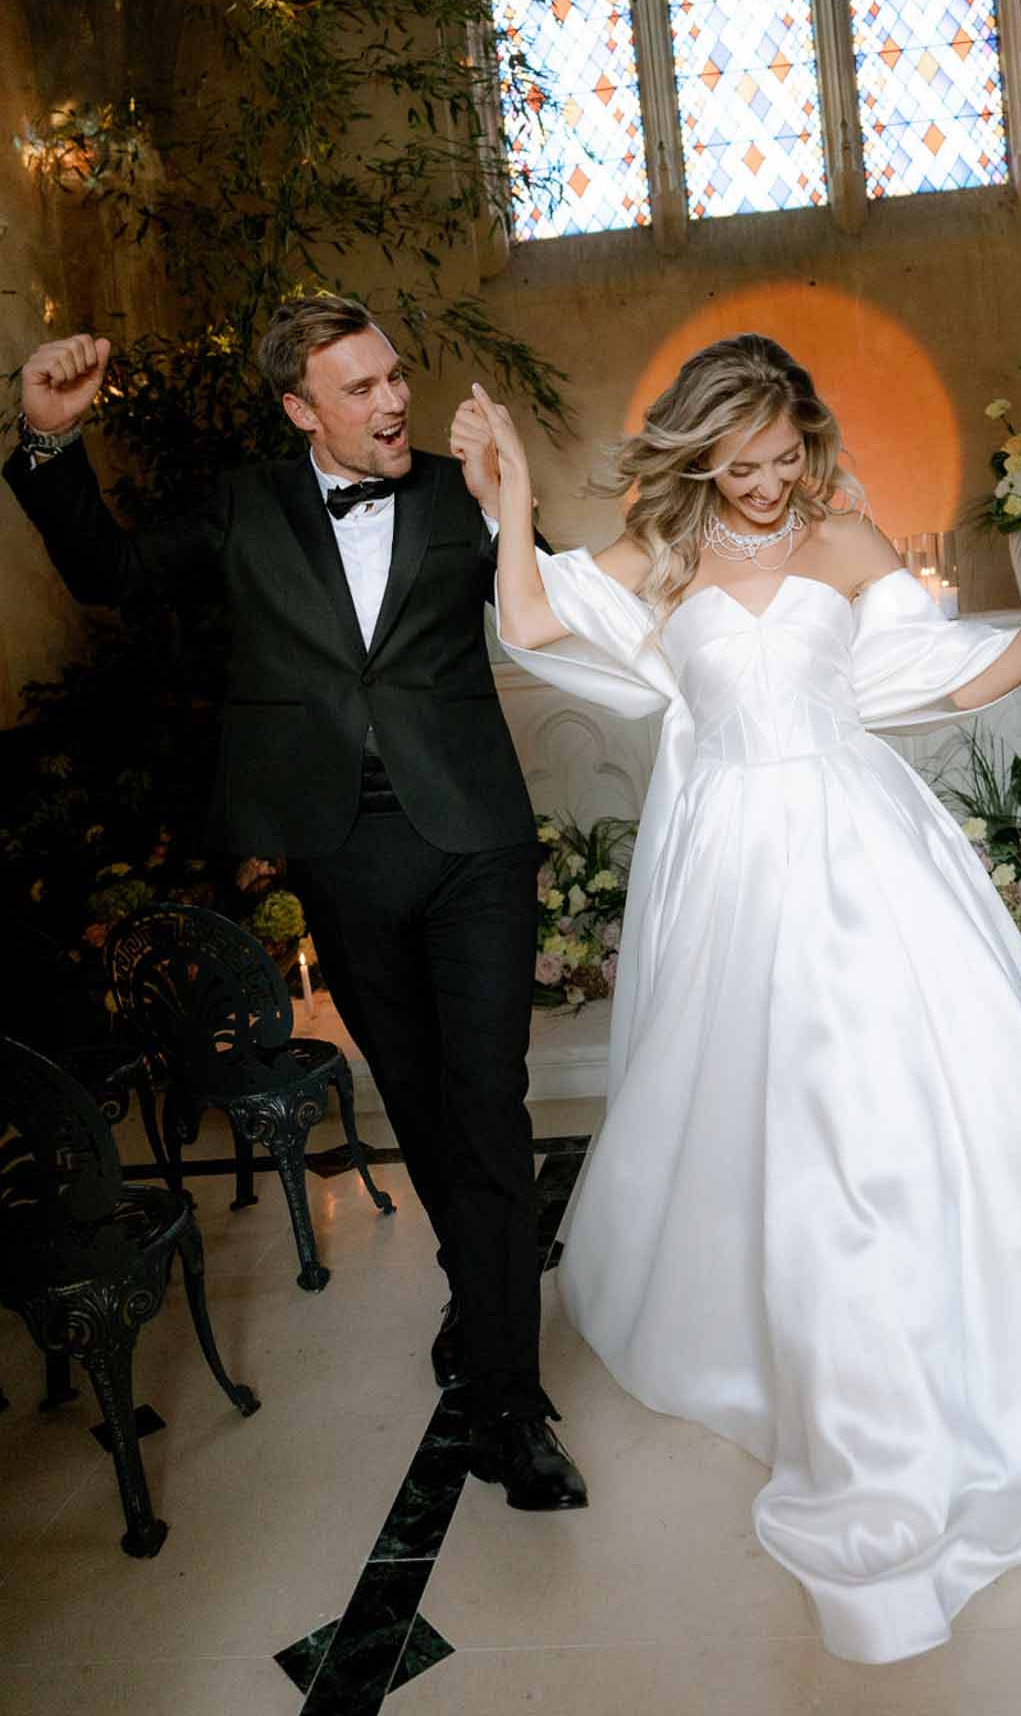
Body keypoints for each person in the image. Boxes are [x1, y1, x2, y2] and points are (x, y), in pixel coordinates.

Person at [452, 334, 1021, 1664]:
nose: (760, 483)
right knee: (753, 1103)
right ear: (699, 457)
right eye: (734, 464)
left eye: (781, 455)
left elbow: (955, 680)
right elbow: (529, 622)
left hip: (859, 858)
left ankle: (915, 1301)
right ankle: (766, 1313)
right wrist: (506, 500)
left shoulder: (843, 543)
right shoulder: (669, 554)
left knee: (874, 1088)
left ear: (807, 436)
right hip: (723, 872)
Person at [5, 299, 586, 1513]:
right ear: (298, 407)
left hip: (472, 840)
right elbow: (109, 573)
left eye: (393, 378)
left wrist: (510, 500)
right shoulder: (245, 504)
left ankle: (511, 1399)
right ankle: (477, 1292)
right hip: (343, 846)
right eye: (360, 388)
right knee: (419, 1101)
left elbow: (563, 607)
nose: (391, 404)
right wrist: (51, 443)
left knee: (486, 1099)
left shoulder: (452, 489)